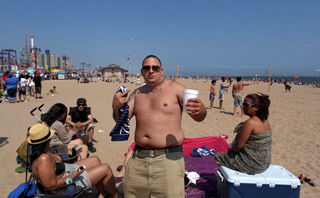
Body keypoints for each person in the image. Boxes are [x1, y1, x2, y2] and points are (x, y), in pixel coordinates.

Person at [112, 55, 207, 197]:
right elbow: (121, 121)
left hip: (168, 160)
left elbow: (198, 117)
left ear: (161, 70)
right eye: (147, 68)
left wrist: (202, 110)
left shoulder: (176, 89)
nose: (151, 71)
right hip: (139, 159)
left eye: (155, 67)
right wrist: (115, 106)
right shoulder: (136, 93)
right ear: (142, 71)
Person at [27, 122, 118, 197]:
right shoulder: (43, 159)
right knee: (106, 168)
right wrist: (73, 177)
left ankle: (103, 193)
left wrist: (40, 129)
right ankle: (115, 195)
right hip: (69, 182)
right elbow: (52, 186)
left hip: (70, 170)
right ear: (47, 140)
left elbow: (30, 137)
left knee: (95, 160)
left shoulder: (37, 150)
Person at [214, 93, 272, 174]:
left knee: (216, 157)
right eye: (242, 104)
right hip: (265, 164)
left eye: (246, 105)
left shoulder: (250, 123)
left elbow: (238, 146)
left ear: (256, 108)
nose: (243, 107)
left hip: (252, 164)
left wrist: (230, 151)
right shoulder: (265, 121)